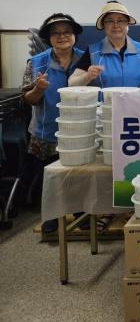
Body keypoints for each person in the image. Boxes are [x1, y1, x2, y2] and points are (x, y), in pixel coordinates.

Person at [21, 13, 85, 233]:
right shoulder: (37, 62)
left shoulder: (85, 59)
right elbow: (27, 99)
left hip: (79, 130)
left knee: (79, 174)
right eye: (55, 33)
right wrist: (38, 89)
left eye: (66, 32)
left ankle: (81, 213)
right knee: (49, 176)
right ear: (48, 38)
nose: (62, 37)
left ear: (74, 35)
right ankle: (52, 215)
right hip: (45, 131)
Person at [69, 0, 140, 88]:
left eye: (120, 20)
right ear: (103, 25)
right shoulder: (93, 52)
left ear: (127, 23)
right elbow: (71, 83)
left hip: (135, 102)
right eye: (110, 21)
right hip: (105, 102)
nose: (115, 25)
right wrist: (86, 77)